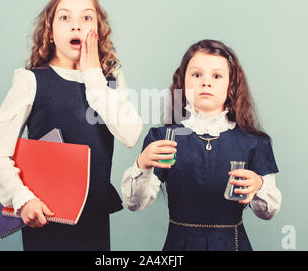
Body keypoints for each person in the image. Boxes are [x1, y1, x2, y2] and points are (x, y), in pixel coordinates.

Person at [0, 0, 142, 250]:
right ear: (50, 32)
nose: (76, 26)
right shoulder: (30, 81)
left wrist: (93, 76)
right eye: (65, 17)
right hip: (45, 219)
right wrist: (23, 199)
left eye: (86, 18)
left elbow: (131, 134)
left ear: (99, 31)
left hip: (94, 222)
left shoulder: (108, 81)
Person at [121, 39, 282, 251]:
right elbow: (135, 204)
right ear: (183, 83)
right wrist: (142, 164)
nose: (206, 83)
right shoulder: (162, 138)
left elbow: (268, 212)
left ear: (231, 85)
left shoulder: (255, 141)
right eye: (197, 75)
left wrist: (259, 185)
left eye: (217, 76)